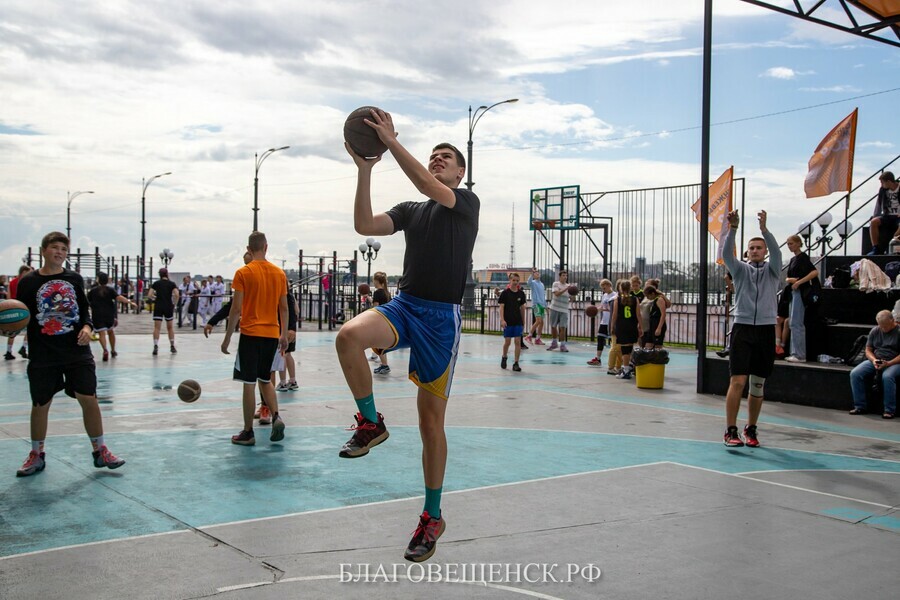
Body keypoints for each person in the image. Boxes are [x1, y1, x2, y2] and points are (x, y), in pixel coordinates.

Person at [334, 108, 478, 563]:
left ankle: (431, 516)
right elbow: (364, 225)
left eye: (445, 157)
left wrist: (391, 141)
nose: (437, 160)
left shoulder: (466, 203)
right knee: (347, 337)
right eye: (433, 154)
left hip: (440, 320)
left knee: (429, 424)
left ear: (460, 172)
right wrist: (364, 170)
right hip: (405, 306)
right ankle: (370, 422)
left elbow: (423, 183)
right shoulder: (412, 212)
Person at [14, 232, 125, 477]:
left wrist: (87, 327)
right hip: (43, 353)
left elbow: (84, 310)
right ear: (43, 250)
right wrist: (9, 328)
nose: (60, 253)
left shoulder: (73, 278)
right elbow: (20, 314)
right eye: (55, 248)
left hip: (76, 351)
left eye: (64, 249)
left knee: (89, 399)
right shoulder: (28, 282)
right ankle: (37, 454)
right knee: (40, 404)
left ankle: (100, 450)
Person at [721, 209, 782, 448]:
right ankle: (731, 429)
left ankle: (751, 427)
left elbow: (777, 252)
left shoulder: (773, 270)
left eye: (760, 247)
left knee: (758, 384)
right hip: (743, 328)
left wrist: (765, 231)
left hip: (765, 329)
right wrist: (733, 228)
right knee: (737, 381)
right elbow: (726, 254)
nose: (756, 251)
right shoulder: (740, 270)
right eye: (752, 248)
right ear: (747, 253)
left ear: (765, 251)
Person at [221, 232, 288, 446]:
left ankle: (248, 432)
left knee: (248, 383)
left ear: (248, 249)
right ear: (266, 247)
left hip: (250, 334)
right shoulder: (279, 274)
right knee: (265, 379)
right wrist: (284, 334)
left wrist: (227, 338)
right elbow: (284, 308)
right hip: (271, 334)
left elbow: (236, 309)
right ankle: (276, 415)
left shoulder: (243, 272)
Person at [849, 310, 899, 419]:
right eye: (881, 326)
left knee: (887, 376)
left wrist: (889, 363)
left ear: (893, 321)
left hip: (894, 361)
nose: (883, 329)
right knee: (855, 373)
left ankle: (889, 410)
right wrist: (874, 360)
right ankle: (860, 406)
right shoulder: (875, 331)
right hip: (877, 359)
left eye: (886, 326)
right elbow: (868, 349)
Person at [87, 271, 136, 361]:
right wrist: (130, 302)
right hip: (109, 314)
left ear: (98, 280)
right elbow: (119, 297)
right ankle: (113, 350)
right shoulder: (110, 290)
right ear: (107, 281)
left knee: (101, 333)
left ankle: (105, 350)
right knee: (110, 332)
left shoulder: (93, 291)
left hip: (97, 314)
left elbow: (86, 302)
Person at [610, 279, 641, 379]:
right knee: (630, 347)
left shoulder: (617, 299)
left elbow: (614, 315)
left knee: (624, 349)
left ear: (620, 288)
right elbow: (638, 314)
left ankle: (626, 370)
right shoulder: (635, 299)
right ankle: (627, 368)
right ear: (630, 287)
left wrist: (612, 326)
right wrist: (641, 326)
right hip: (632, 325)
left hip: (621, 325)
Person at [498, 272, 527, 372]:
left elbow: (522, 308)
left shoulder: (521, 294)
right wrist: (502, 320)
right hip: (508, 321)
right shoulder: (505, 293)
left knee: (518, 341)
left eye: (517, 281)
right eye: (513, 280)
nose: (515, 282)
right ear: (510, 281)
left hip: (517, 321)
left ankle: (516, 363)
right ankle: (504, 356)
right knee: (507, 342)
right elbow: (501, 307)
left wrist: (523, 322)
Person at [148, 268, 179, 356]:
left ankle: (155, 345)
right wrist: (174, 304)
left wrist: (155, 298)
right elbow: (177, 294)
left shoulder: (156, 283)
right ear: (167, 274)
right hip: (168, 306)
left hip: (158, 305)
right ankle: (172, 346)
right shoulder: (171, 284)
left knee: (157, 327)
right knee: (170, 327)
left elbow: (149, 295)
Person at [867, 171, 900, 255]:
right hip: (888, 216)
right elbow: (878, 204)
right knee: (874, 222)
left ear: (888, 181)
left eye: (882, 182)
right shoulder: (883, 190)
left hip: (898, 216)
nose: (881, 185)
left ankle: (894, 241)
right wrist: (875, 216)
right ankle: (876, 248)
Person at [6, 265, 34, 360]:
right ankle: (23, 347)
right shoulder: (26, 282)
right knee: (30, 330)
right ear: (23, 272)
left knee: (13, 332)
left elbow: (8, 297)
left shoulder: (12, 282)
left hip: (13, 307)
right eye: (29, 272)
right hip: (23, 308)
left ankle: (9, 351)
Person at [587, 278, 616, 367]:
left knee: (613, 342)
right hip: (604, 321)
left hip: (611, 322)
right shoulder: (604, 296)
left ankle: (616, 361)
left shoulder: (615, 295)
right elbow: (602, 306)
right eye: (602, 288)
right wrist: (595, 310)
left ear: (609, 285)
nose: (604, 289)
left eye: (605, 287)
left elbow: (614, 309)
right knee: (600, 338)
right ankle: (598, 359)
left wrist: (605, 309)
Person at [370, 271, 393, 375]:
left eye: (373, 280)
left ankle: (385, 365)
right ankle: (384, 364)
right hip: (387, 320)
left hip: (379, 319)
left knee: (378, 344)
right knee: (380, 343)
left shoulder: (377, 293)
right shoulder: (387, 293)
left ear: (376, 281)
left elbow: (375, 307)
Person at [546, 270, 571, 352]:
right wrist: (566, 289)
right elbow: (556, 294)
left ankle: (562, 345)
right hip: (554, 308)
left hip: (564, 309)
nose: (565, 277)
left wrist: (573, 292)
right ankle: (554, 343)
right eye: (563, 275)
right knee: (553, 326)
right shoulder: (556, 284)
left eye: (566, 275)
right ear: (560, 276)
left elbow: (572, 298)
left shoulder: (568, 286)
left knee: (562, 327)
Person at [524, 268, 546, 345]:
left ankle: (538, 339)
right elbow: (528, 282)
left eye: (538, 273)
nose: (537, 274)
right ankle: (529, 336)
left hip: (542, 305)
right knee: (538, 321)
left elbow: (543, 295)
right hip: (536, 304)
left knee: (542, 322)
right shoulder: (533, 283)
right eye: (536, 273)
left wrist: (545, 305)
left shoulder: (542, 284)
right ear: (533, 276)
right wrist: (531, 274)